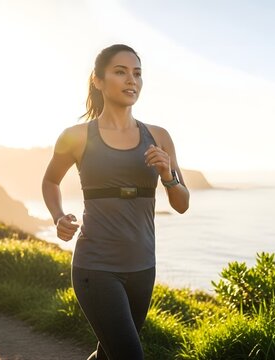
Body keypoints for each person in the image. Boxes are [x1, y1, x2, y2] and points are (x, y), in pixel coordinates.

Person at [42, 44, 190, 360]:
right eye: (120, 72)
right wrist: (58, 217)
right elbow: (50, 180)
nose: (131, 80)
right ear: (98, 80)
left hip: (143, 268)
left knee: (109, 354)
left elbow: (181, 203)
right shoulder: (77, 136)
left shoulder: (159, 136)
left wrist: (168, 175)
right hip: (95, 267)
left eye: (137, 73)